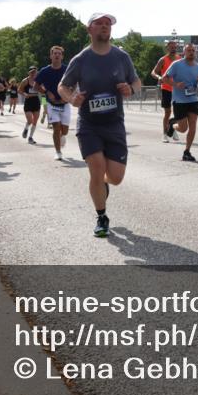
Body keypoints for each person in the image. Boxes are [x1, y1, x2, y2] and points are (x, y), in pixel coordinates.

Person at [58, 13, 141, 238]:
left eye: (108, 24)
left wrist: (130, 89)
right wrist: (71, 98)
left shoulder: (121, 56)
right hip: (89, 124)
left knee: (115, 177)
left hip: (114, 123)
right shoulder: (81, 59)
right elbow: (63, 86)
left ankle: (103, 184)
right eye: (99, 23)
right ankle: (101, 216)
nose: (105, 27)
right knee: (96, 167)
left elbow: (137, 81)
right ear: (90, 30)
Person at [164, 42, 198, 162]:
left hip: (193, 100)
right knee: (183, 128)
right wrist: (176, 84)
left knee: (193, 126)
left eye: (193, 51)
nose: (191, 52)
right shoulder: (176, 65)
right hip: (179, 101)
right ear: (184, 52)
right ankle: (173, 125)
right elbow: (165, 79)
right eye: (189, 50)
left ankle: (187, 152)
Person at [35, 46, 70, 161]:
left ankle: (63, 136)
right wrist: (46, 92)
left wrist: (68, 96)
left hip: (64, 103)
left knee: (64, 130)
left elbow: (75, 84)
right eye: (54, 53)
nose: (57, 55)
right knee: (56, 127)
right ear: (51, 56)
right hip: (51, 104)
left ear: (62, 56)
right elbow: (36, 86)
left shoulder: (67, 69)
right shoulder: (45, 71)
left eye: (59, 53)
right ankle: (58, 152)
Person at [151, 39, 180, 143]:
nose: (173, 49)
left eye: (175, 47)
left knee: (178, 113)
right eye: (171, 47)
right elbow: (153, 72)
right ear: (167, 48)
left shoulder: (179, 59)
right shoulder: (163, 59)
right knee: (167, 112)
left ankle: (172, 129)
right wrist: (159, 77)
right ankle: (164, 134)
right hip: (166, 89)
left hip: (177, 89)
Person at [18, 67, 42, 144]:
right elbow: (19, 90)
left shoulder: (38, 81)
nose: (33, 73)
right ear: (29, 73)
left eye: (35, 72)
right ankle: (26, 128)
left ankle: (30, 137)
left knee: (35, 121)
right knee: (30, 120)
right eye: (32, 72)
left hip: (36, 101)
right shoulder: (25, 81)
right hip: (28, 101)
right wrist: (25, 94)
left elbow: (42, 90)